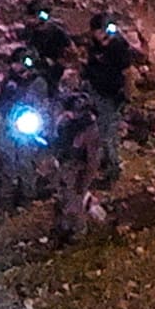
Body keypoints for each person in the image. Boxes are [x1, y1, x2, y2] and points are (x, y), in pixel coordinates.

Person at [81, 14, 145, 183]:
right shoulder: (94, 46)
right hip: (97, 92)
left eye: (105, 30)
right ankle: (103, 161)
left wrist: (126, 95)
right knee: (99, 131)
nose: (103, 34)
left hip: (113, 95)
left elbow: (128, 72)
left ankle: (113, 169)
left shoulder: (118, 46)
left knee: (109, 134)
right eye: (99, 31)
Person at [0, 55, 57, 203]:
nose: (17, 70)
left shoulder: (38, 83)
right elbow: (2, 103)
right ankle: (8, 190)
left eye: (21, 68)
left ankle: (28, 191)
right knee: (9, 157)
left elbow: (41, 105)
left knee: (25, 158)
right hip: (9, 124)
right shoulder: (10, 82)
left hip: (27, 125)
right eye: (15, 67)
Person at [51, 91, 102, 242]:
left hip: (78, 171)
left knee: (74, 203)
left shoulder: (89, 131)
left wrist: (84, 182)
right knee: (64, 199)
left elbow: (93, 160)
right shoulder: (70, 125)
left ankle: (78, 231)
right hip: (67, 167)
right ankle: (65, 226)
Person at [23, 1, 73, 85]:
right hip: (38, 70)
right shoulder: (30, 34)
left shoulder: (57, 31)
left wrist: (58, 62)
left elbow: (71, 51)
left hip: (57, 70)